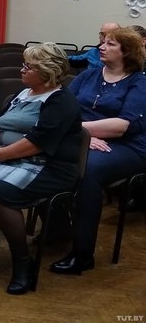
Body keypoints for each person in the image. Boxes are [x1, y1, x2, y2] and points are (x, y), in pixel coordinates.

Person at [0, 43, 82, 295]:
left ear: (47, 72)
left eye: (29, 67)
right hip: (10, 158)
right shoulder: (22, 93)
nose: (22, 70)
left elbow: (38, 143)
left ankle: (23, 263)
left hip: (49, 166)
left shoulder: (61, 101)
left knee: (1, 194)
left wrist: (2, 154)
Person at [50, 27, 146, 275]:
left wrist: (79, 132)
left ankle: (83, 253)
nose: (101, 47)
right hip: (85, 138)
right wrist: (84, 136)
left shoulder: (139, 82)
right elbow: (62, 109)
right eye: (103, 42)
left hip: (127, 146)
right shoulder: (88, 75)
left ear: (127, 52)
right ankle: (58, 227)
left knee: (87, 170)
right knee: (46, 156)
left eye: (111, 44)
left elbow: (123, 126)